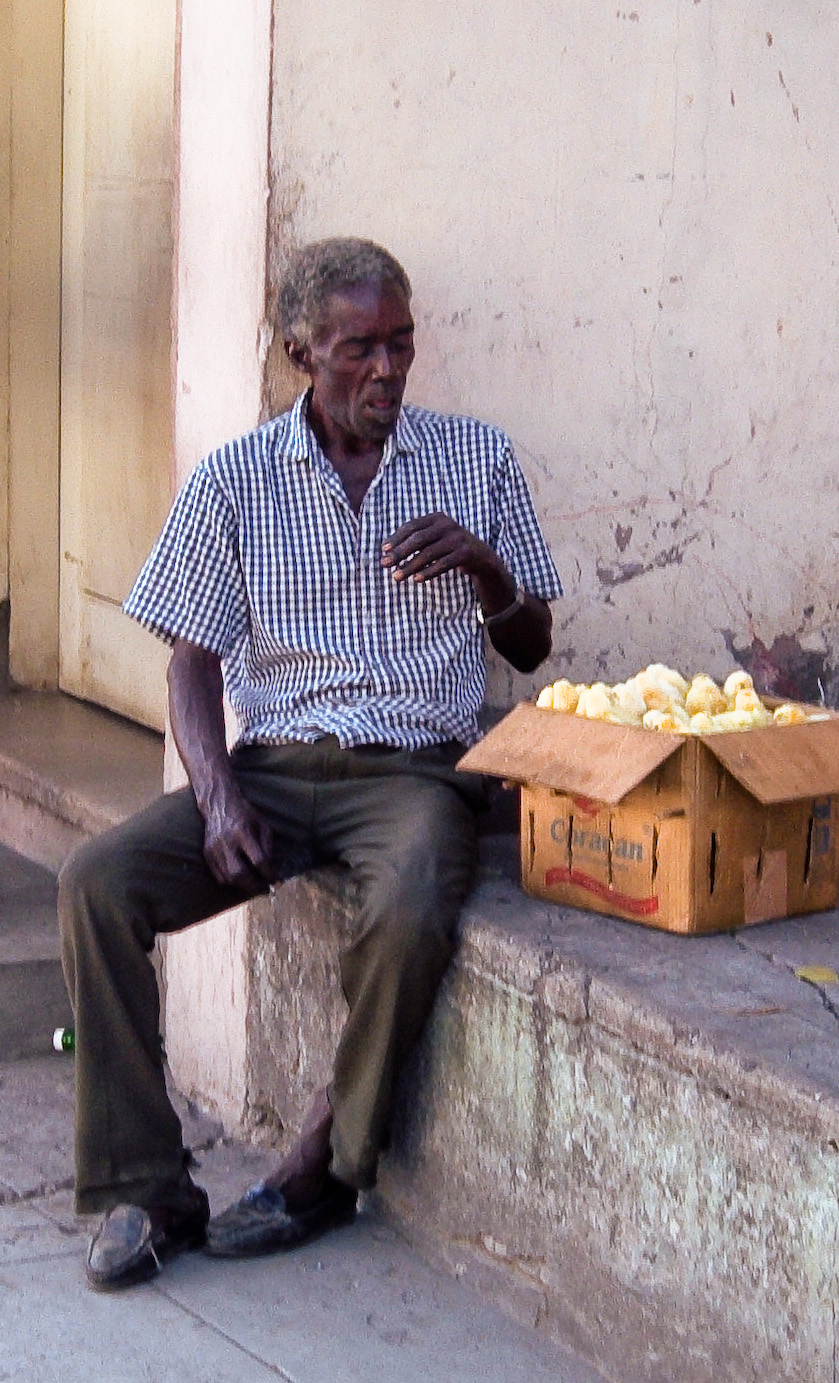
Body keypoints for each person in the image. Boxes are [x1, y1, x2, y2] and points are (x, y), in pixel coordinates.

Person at [58, 237, 562, 1292]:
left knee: (417, 896)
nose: (387, 369)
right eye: (358, 350)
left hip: (420, 771)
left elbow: (529, 646)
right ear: (301, 353)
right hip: (278, 765)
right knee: (96, 885)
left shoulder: (476, 458)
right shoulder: (234, 480)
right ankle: (143, 1187)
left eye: (401, 343)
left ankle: (322, 1169)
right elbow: (191, 662)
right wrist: (216, 791)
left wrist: (483, 565)